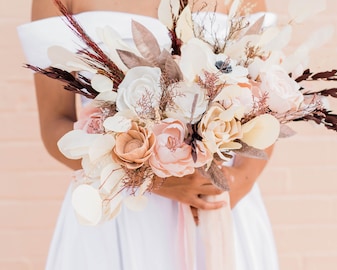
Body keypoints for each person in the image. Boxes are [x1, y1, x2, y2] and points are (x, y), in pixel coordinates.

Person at [18, 0, 279, 269]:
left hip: (215, 202)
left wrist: (240, 181)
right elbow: (55, 125)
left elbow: (267, 105)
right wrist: (153, 182)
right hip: (119, 208)